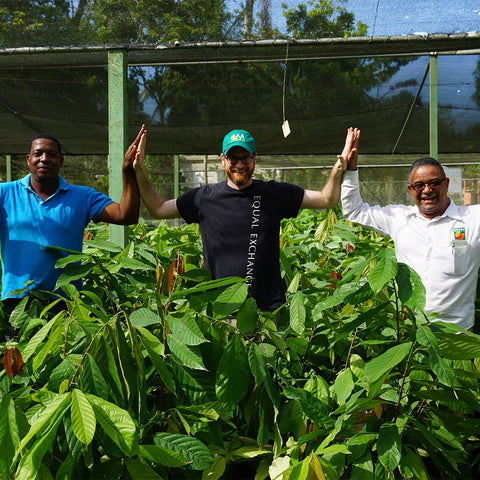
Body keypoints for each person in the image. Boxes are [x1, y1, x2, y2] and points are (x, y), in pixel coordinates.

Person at [134, 128, 357, 311]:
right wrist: (139, 170)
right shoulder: (204, 198)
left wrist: (340, 166)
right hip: (222, 308)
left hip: (268, 309)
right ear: (223, 160)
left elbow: (327, 199)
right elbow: (158, 209)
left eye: (245, 158)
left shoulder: (274, 193)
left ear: (254, 158)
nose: (239, 164)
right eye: (233, 158)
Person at [0, 125, 145, 338]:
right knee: (22, 366)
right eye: (37, 154)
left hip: (66, 300)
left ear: (61, 161)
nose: (44, 159)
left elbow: (126, 215)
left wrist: (127, 170)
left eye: (52, 154)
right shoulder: (5, 193)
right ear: (28, 159)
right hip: (18, 301)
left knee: (65, 362)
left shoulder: (82, 197)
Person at [341, 128, 480, 331]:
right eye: (419, 185)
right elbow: (354, 211)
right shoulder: (398, 218)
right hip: (411, 332)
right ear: (410, 190)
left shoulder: (471, 220)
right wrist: (351, 170)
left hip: (458, 336)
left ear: (446, 184)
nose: (427, 190)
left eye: (434, 183)